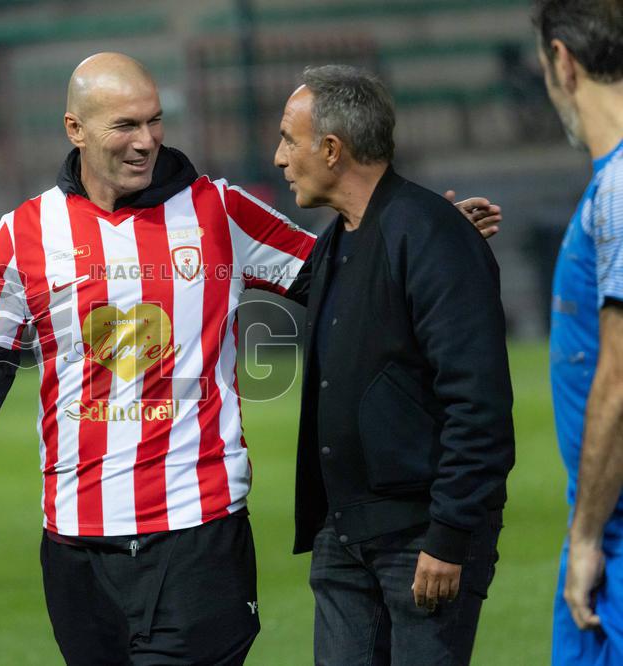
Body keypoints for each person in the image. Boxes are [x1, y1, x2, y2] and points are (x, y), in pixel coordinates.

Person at [0, 53, 501, 665]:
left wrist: (424, 235)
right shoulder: (24, 232)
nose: (146, 142)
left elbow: (343, 272)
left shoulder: (218, 211)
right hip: (75, 546)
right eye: (125, 126)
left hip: (199, 533)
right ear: (75, 129)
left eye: (154, 122)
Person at [273, 65, 515, 665]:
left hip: (420, 541)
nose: (278, 158)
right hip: (344, 533)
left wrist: (449, 536)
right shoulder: (341, 239)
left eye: (287, 138)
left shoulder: (428, 235)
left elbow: (478, 405)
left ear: (332, 149)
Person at [532, 1, 623, 663]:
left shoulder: (619, 188)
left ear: (563, 61)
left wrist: (587, 535)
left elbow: (619, 381)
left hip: (614, 535)